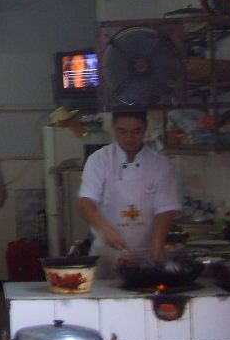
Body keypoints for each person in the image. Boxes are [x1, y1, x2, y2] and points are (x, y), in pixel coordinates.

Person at [77, 111, 181, 273]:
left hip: (146, 255)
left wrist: (157, 244)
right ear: (113, 128)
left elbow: (166, 208)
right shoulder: (99, 160)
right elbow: (86, 202)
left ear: (145, 128)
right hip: (106, 254)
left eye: (136, 131)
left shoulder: (160, 164)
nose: (129, 137)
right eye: (122, 131)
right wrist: (105, 229)